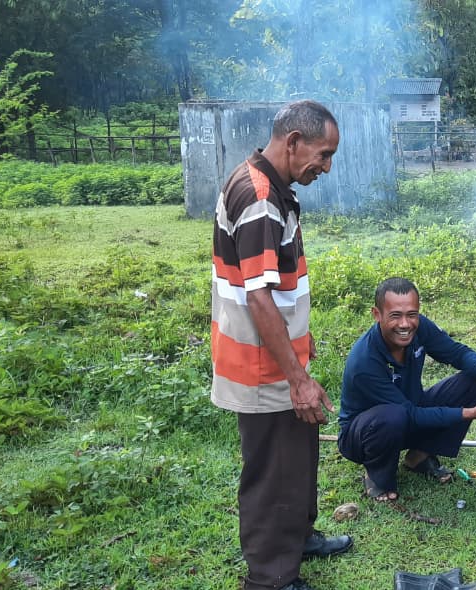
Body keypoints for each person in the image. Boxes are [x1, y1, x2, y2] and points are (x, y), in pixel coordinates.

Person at [210, 99, 352, 590]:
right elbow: (259, 296)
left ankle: (298, 536)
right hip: (262, 367)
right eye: (324, 154)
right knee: (273, 471)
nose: (326, 167)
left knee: (297, 457)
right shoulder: (259, 197)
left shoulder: (271, 186)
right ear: (293, 142)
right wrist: (297, 379)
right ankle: (272, 576)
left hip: (278, 362)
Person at [338, 277, 476, 502]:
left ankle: (419, 457)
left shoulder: (419, 327)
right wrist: (470, 413)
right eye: (395, 315)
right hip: (366, 434)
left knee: (473, 379)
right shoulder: (364, 362)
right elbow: (410, 415)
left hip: (408, 413)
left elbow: (456, 352)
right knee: (393, 416)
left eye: (412, 314)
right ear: (377, 314)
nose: (405, 324)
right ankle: (377, 474)